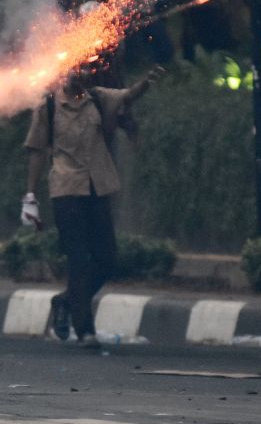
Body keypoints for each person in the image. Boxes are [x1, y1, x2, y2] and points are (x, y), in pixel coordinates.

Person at [20, 64, 163, 347]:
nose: (82, 77)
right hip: (66, 189)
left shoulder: (98, 97)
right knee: (79, 259)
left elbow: (128, 95)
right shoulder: (48, 107)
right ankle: (85, 329)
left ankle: (64, 301)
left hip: (98, 185)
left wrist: (145, 83)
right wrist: (30, 196)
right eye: (76, 72)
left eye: (86, 72)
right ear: (64, 75)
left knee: (107, 259)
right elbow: (36, 152)